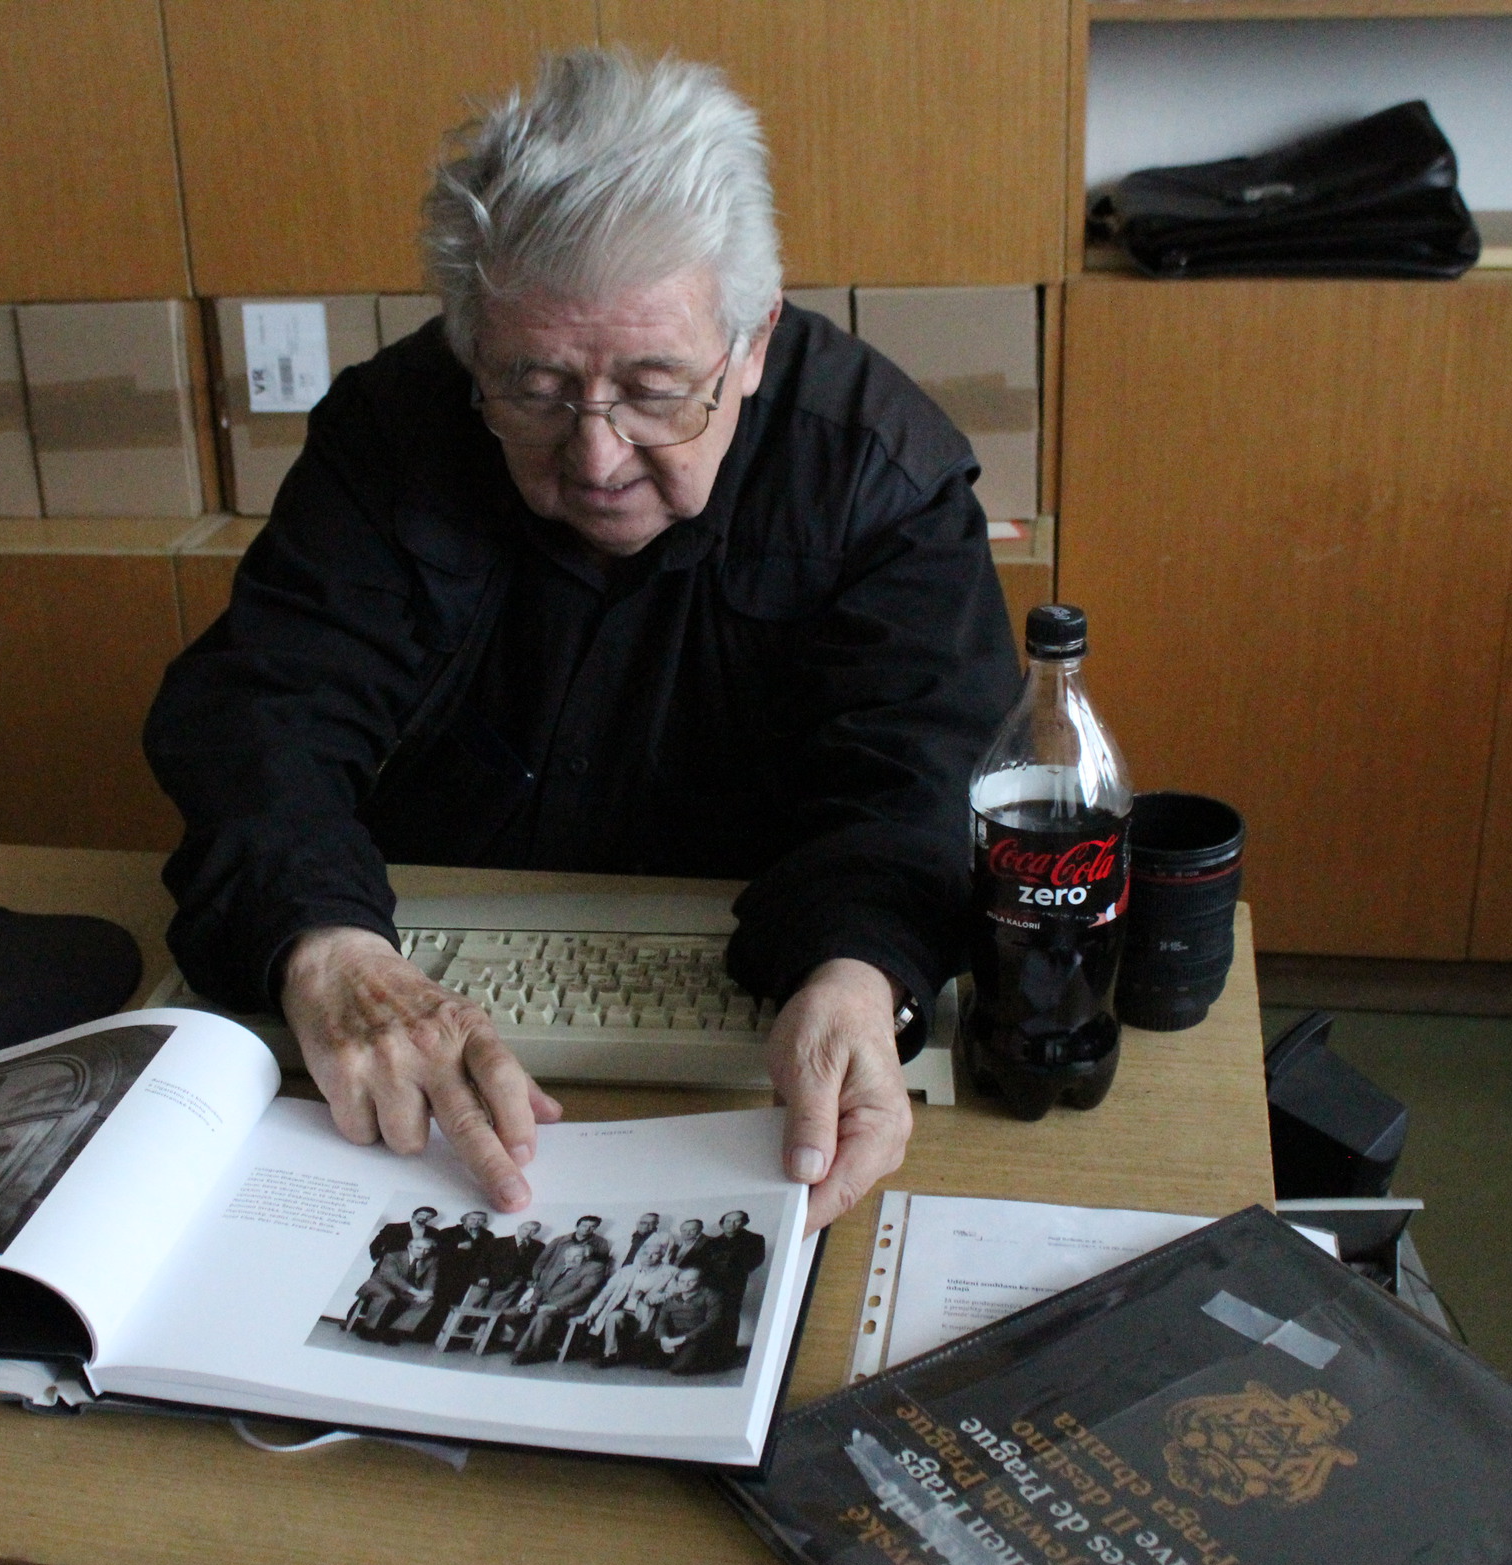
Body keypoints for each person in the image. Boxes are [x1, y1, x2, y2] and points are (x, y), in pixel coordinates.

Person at [148, 49, 1018, 1233]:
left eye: (656, 390)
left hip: (754, 1030)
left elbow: (923, 773)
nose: (598, 456)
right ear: (473, 348)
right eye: (537, 389)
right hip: (421, 1008)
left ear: (753, 339)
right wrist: (326, 946)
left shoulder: (877, 472)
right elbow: (266, 714)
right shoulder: (393, 432)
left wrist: (862, 969)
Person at [681, 1209, 766, 1364]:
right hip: (710, 1286)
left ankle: (726, 1356)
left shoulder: (754, 1239)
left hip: (733, 1286)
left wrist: (730, 1265)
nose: (731, 1225)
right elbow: (696, 1263)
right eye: (728, 1221)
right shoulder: (712, 1242)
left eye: (736, 1221)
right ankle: (707, 1355)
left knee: (729, 1317)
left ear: (744, 1223)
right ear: (721, 1224)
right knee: (709, 1318)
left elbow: (754, 1261)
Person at [507, 1241, 610, 1364]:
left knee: (542, 1317)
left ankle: (528, 1353)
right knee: (509, 1314)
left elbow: (584, 1291)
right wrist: (531, 1302)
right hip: (543, 1304)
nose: (571, 1259)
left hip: (569, 1307)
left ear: (586, 1257)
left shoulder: (594, 1267)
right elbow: (540, 1287)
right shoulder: (558, 1267)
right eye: (569, 1256)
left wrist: (555, 1306)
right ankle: (543, 1344)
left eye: (577, 1256)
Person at [584, 1235, 680, 1363]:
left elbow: (675, 1294)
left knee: (645, 1326)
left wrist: (648, 1298)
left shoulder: (671, 1271)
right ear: (639, 1255)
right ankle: (610, 1354)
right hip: (625, 1310)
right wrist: (590, 1313)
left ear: (662, 1256)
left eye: (655, 1254)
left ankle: (643, 1352)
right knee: (613, 1317)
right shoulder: (627, 1270)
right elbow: (605, 1293)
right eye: (645, 1253)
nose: (649, 1256)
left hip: (650, 1311)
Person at [641, 1267, 728, 1375]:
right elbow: (662, 1321)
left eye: (691, 1281)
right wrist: (664, 1339)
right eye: (682, 1281)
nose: (685, 1284)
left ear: (700, 1281)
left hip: (697, 1336)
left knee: (678, 1369)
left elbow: (711, 1323)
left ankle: (693, 1358)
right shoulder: (672, 1298)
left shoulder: (712, 1296)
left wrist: (681, 1340)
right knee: (642, 1337)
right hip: (675, 1332)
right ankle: (670, 1356)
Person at [354, 1236, 440, 1343]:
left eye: (427, 1249)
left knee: (427, 1301)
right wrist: (417, 1292)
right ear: (409, 1247)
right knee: (387, 1296)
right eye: (419, 1248)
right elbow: (392, 1277)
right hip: (379, 1284)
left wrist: (427, 1292)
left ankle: (395, 1331)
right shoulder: (392, 1256)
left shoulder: (431, 1260)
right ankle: (368, 1329)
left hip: (402, 1289)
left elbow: (431, 1278)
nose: (423, 1252)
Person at [369, 1206, 441, 1263]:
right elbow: (376, 1244)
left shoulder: (434, 1232)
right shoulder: (393, 1228)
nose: (424, 1217)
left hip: (416, 1270)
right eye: (421, 1214)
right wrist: (377, 1259)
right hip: (389, 1264)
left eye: (429, 1216)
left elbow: (435, 1251)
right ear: (414, 1215)